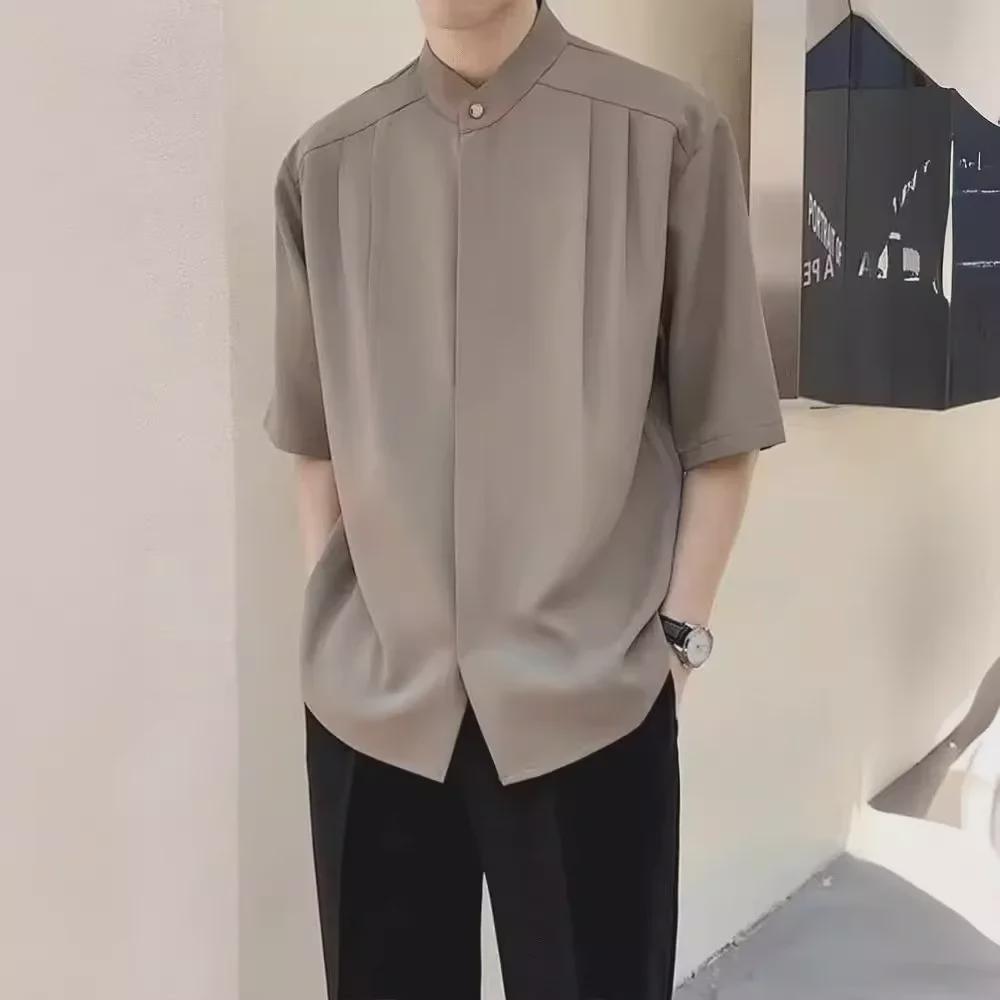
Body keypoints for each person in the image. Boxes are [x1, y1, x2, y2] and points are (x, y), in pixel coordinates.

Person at [264, 1, 785, 997]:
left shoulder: (666, 136)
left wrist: (678, 645)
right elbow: (314, 438)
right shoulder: (323, 166)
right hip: (373, 715)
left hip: (590, 705)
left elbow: (723, 428)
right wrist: (345, 630)